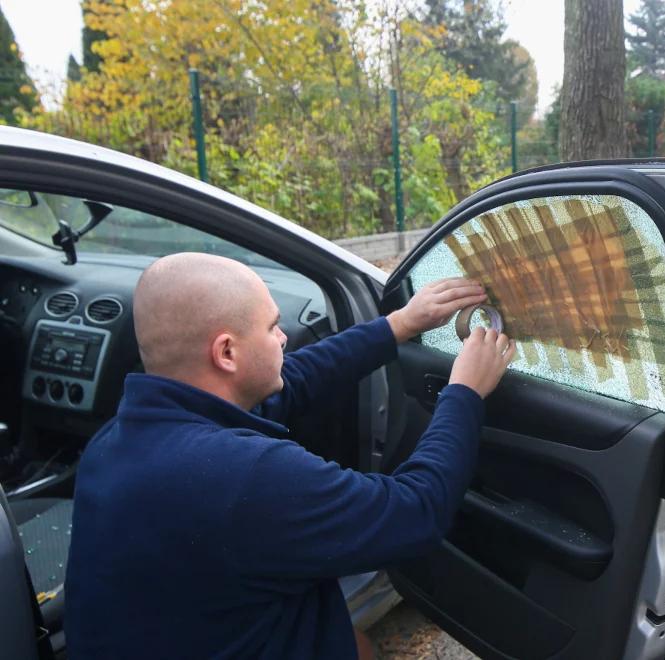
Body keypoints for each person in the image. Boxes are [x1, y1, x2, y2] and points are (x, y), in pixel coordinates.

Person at [64, 252, 513, 659]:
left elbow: (291, 379)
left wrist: (397, 325)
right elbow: (415, 511)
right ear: (226, 352)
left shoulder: (118, 439)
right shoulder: (241, 476)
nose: (282, 338)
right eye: (271, 326)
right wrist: (464, 392)